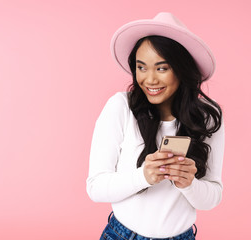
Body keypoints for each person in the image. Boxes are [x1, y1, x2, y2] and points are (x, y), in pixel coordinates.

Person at [86, 12, 225, 240]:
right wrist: (144, 176)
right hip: (122, 235)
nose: (149, 80)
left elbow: (213, 196)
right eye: (141, 68)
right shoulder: (121, 107)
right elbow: (95, 187)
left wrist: (188, 183)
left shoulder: (207, 117)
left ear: (181, 69)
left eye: (162, 68)